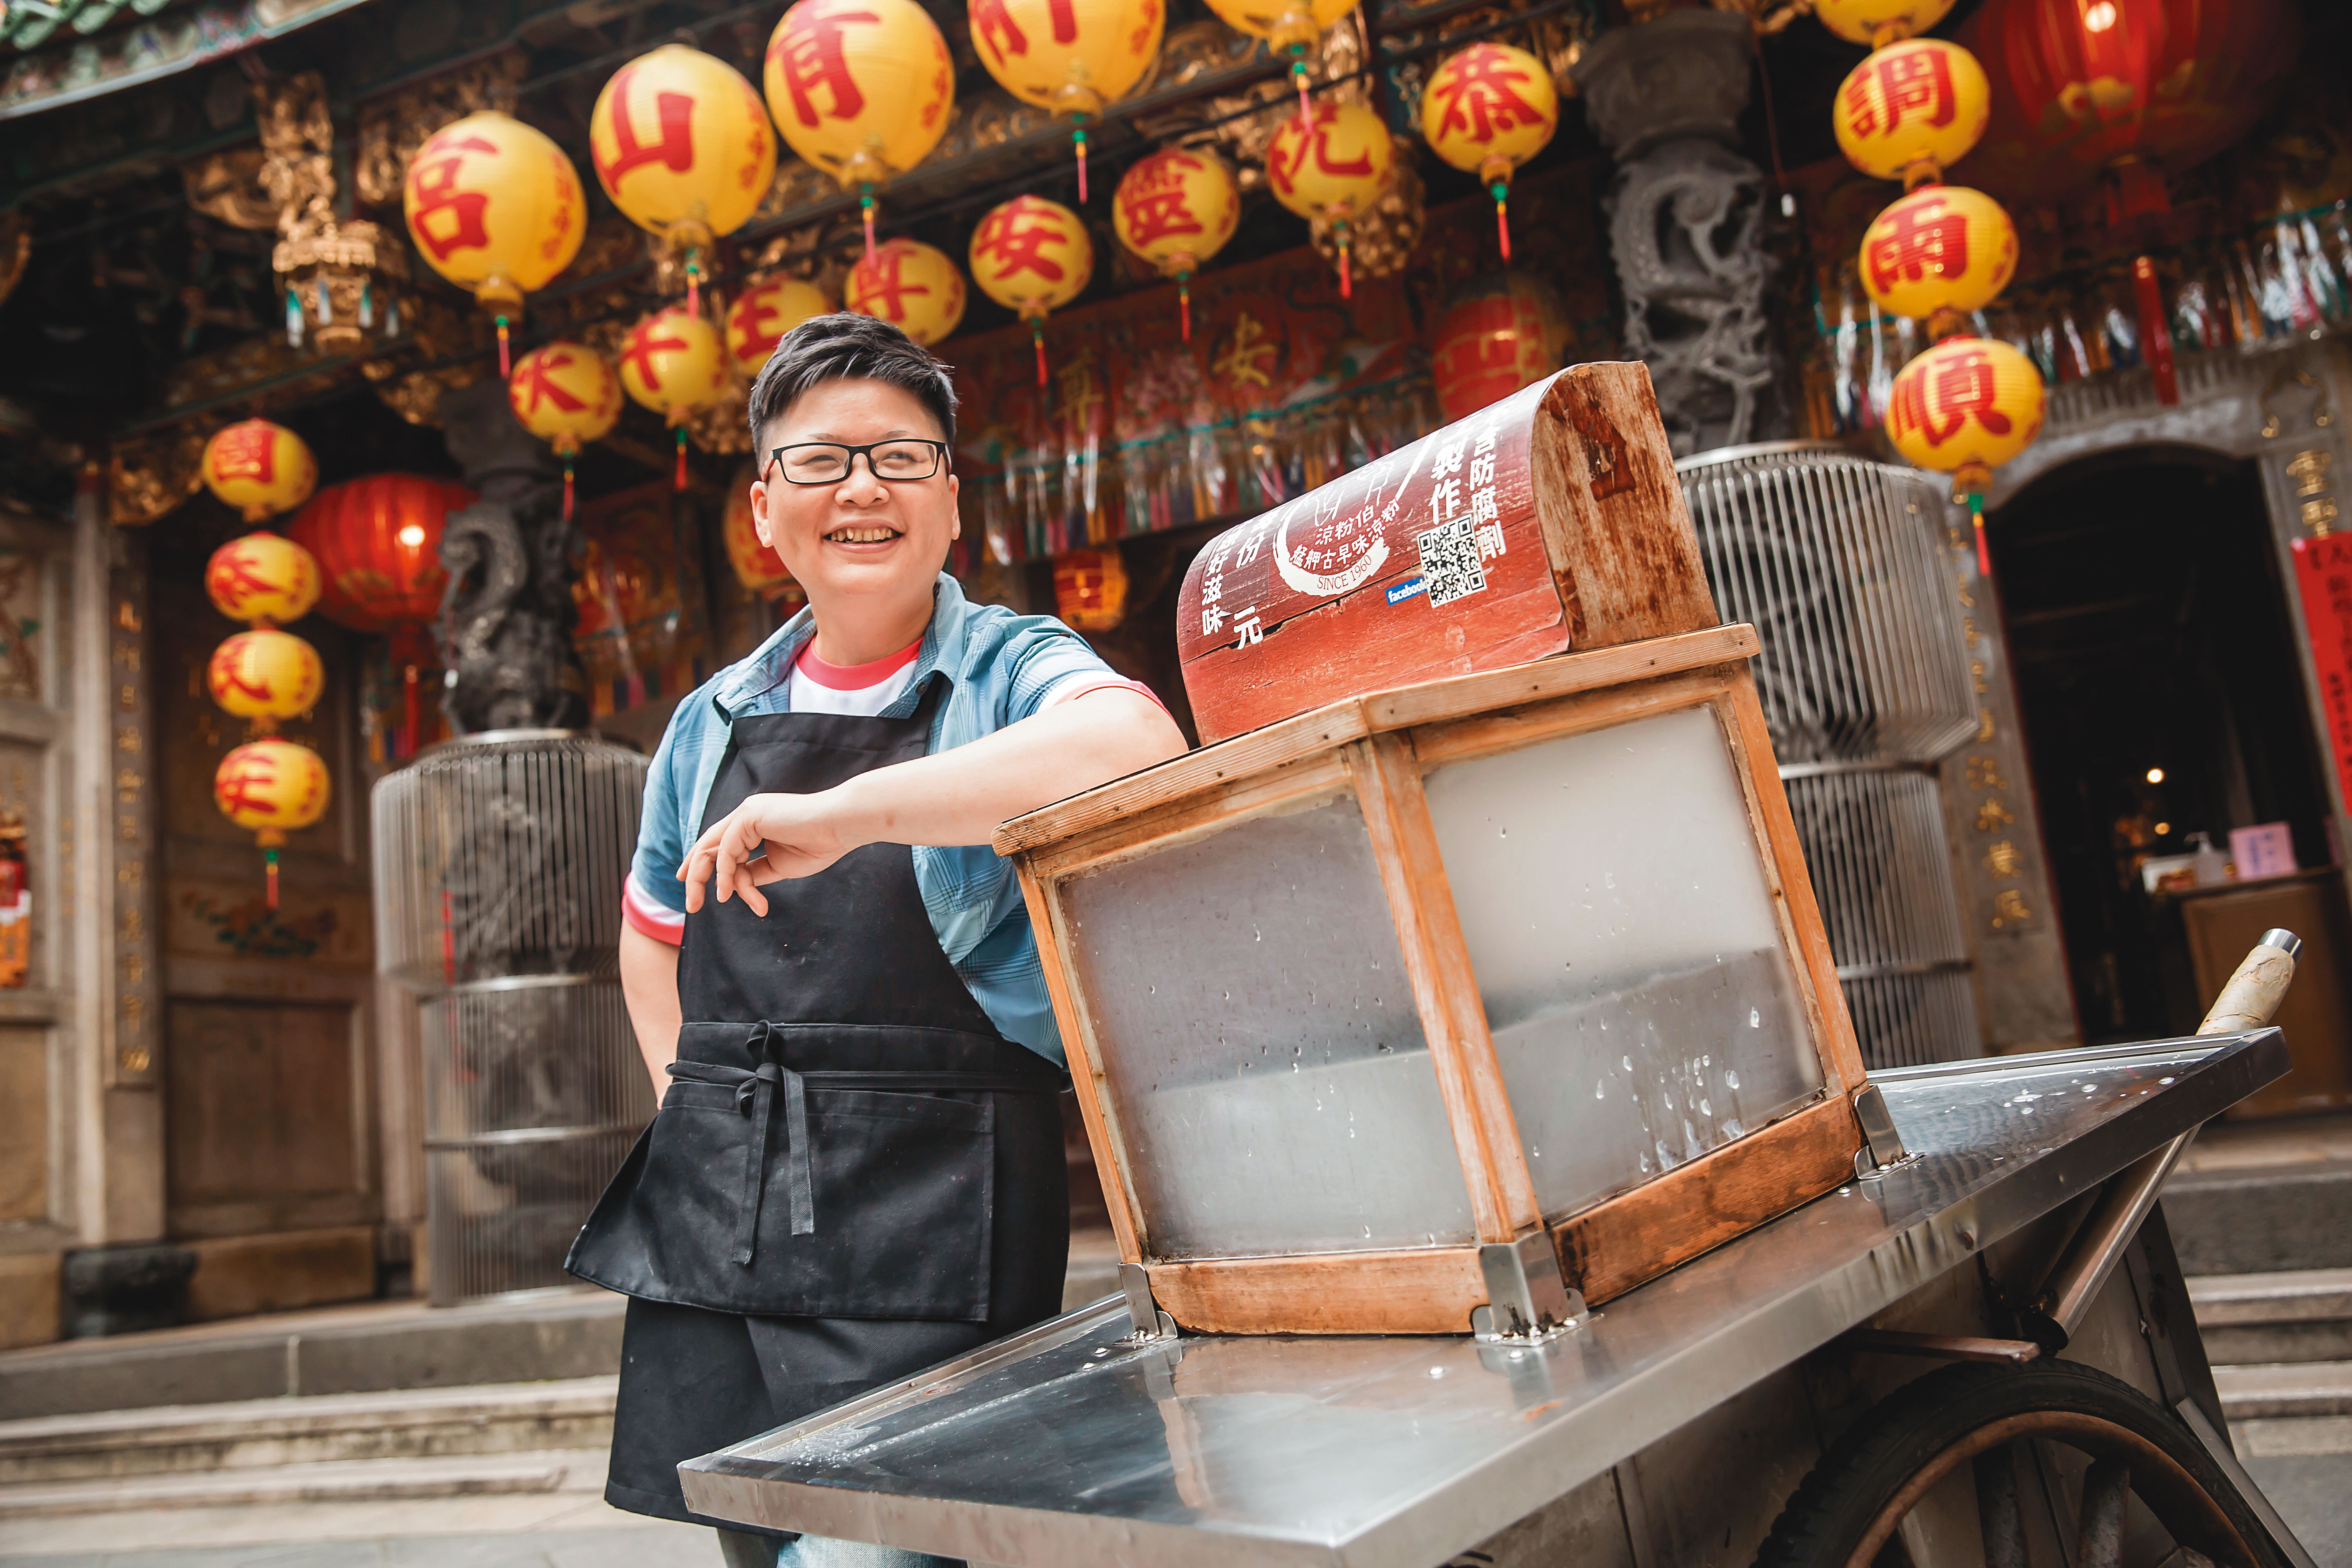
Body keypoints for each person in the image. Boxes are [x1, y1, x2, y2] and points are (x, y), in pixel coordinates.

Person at [568, 313, 1187, 1567]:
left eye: (901, 459)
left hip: (937, 1210)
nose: (861, 488)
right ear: (763, 509)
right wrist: (702, 1128)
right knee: (758, 1536)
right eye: (820, 461)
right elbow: (650, 937)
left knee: (883, 1547)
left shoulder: (1010, 664)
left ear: (952, 503)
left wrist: (848, 817)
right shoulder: (709, 720)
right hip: (731, 1221)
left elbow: (1138, 747)